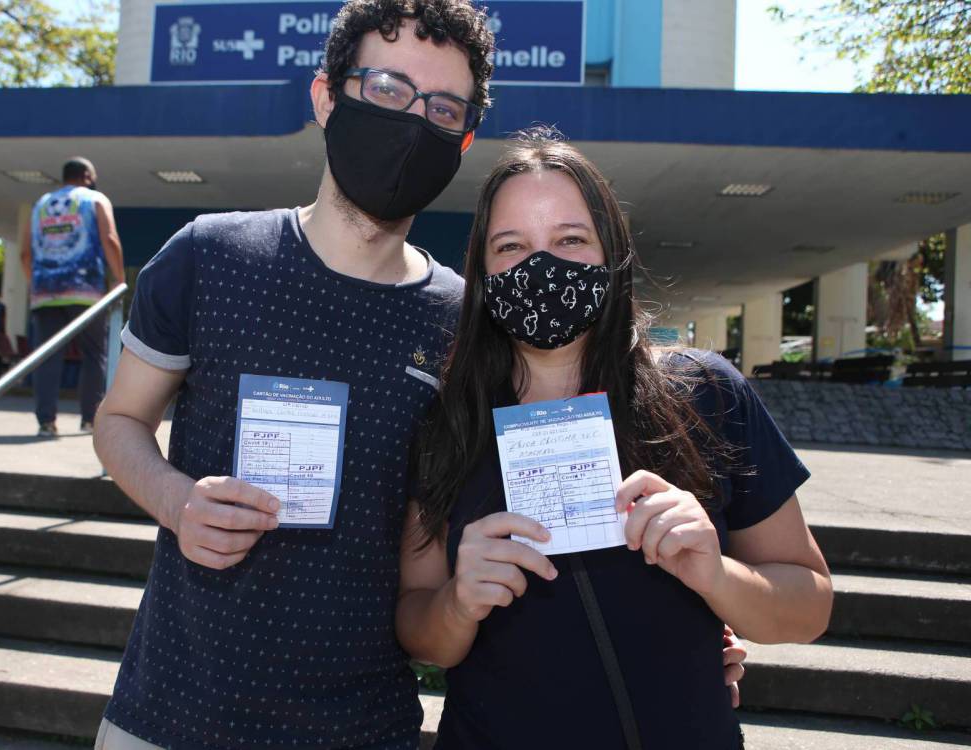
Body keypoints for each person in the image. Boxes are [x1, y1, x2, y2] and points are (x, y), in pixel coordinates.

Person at [92, 3, 745, 747]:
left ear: (464, 139)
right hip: (172, 716)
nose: (412, 122)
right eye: (388, 89)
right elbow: (118, 422)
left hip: (365, 728)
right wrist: (177, 502)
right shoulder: (208, 257)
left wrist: (682, 634)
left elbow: (554, 478)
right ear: (326, 96)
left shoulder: (470, 323)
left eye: (442, 108)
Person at [396, 129, 833, 749]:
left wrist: (718, 576)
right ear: (482, 271)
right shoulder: (448, 422)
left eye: (570, 240)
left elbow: (810, 606)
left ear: (612, 253)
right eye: (511, 246)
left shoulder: (705, 394)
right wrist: (458, 602)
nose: (540, 267)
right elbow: (417, 627)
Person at [21, 156, 125, 438]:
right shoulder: (95, 200)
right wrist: (119, 279)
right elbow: (110, 239)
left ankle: (46, 421)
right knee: (94, 356)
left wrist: (37, 285)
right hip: (85, 292)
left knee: (47, 357)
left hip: (46, 292)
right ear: (87, 176)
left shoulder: (40, 205)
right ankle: (90, 419)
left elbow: (25, 253)